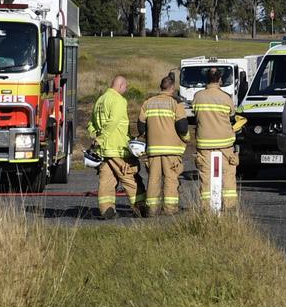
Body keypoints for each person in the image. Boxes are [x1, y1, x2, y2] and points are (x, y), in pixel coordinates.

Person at [88, 75, 144, 219]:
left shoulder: (100, 100)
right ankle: (141, 207)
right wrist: (102, 137)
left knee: (107, 181)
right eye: (125, 87)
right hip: (118, 148)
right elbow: (113, 122)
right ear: (120, 85)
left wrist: (95, 137)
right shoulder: (118, 100)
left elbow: (91, 124)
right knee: (130, 177)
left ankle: (107, 209)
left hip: (104, 151)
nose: (125, 90)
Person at [139, 74, 189, 216]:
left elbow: (141, 127)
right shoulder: (176, 103)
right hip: (172, 150)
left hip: (153, 150)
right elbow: (182, 127)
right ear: (172, 88)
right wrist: (186, 139)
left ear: (161, 87)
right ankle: (170, 209)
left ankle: (152, 210)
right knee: (171, 179)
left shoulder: (148, 102)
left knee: (153, 180)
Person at [193, 67, 239, 210]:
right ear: (220, 80)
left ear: (206, 80)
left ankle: (206, 207)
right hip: (225, 143)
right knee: (228, 175)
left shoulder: (198, 96)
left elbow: (195, 114)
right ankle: (229, 206)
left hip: (204, 143)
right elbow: (232, 115)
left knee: (205, 176)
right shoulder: (226, 98)